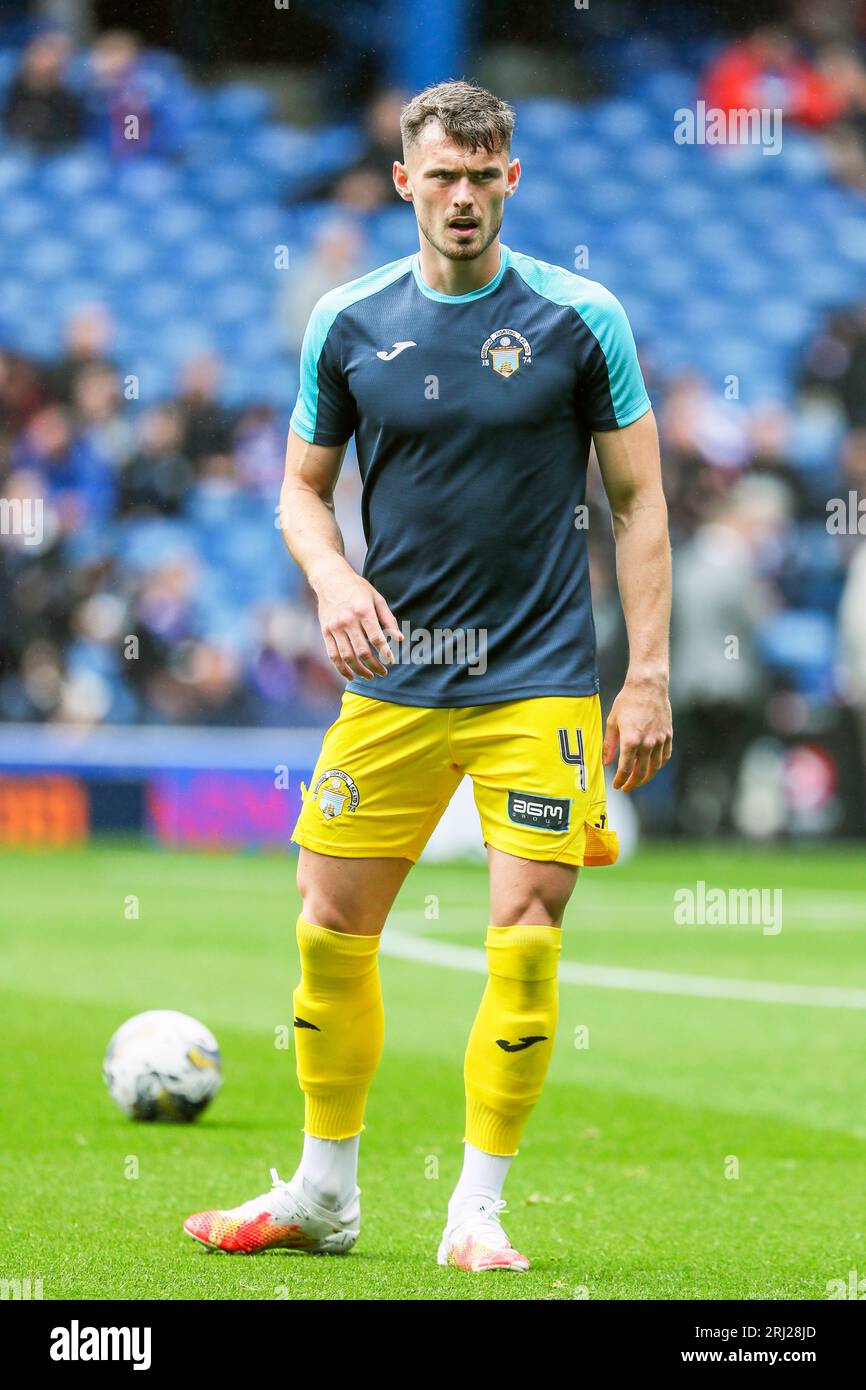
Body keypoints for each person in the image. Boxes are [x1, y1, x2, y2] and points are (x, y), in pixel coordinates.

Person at [184, 80, 672, 1273]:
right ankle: (322, 1194)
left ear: (512, 179)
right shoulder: (346, 322)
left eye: (483, 173)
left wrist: (647, 672)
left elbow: (639, 499)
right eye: (440, 175)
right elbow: (299, 490)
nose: (462, 195)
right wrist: (331, 580)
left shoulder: (579, 318)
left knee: (525, 933)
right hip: (396, 680)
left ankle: (475, 1211)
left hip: (541, 681)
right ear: (403, 181)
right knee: (327, 931)